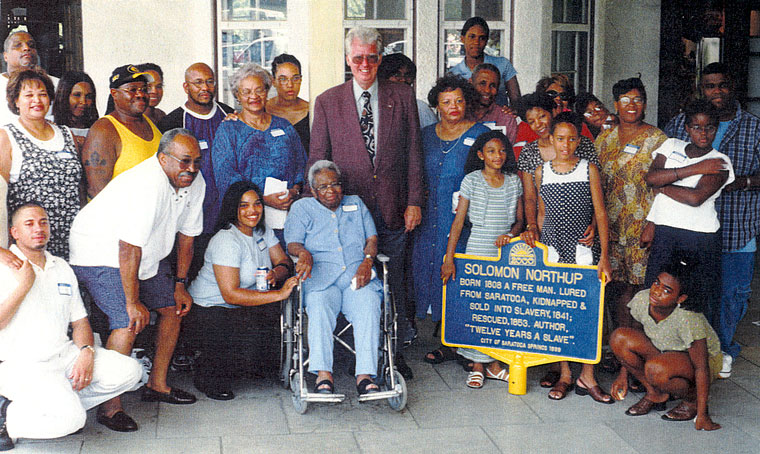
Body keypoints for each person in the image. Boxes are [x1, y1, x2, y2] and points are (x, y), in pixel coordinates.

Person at [70, 129, 206, 424]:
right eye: (184, 161)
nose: (191, 169)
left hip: (143, 256)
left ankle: (157, 384)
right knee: (127, 321)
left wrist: (180, 285)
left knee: (174, 308)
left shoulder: (194, 182)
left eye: (196, 161)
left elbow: (187, 238)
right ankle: (110, 408)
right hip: (98, 252)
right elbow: (127, 248)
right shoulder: (147, 185)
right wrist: (132, 303)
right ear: (163, 159)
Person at [309, 27, 423, 377]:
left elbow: (414, 153)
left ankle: (393, 353)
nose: (365, 64)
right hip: (344, 216)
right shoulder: (328, 101)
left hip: (393, 210)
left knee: (395, 283)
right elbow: (317, 161)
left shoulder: (401, 96)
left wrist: (415, 200)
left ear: (379, 59)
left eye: (372, 58)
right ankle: (348, 354)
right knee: (348, 281)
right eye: (357, 58)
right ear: (348, 59)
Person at [0, 203, 143, 446]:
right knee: (72, 421)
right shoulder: (5, 267)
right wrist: (25, 284)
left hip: (63, 356)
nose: (38, 228)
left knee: (131, 372)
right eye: (29, 223)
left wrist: (86, 353)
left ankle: (63, 403)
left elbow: (79, 321)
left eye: (43, 222)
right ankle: (6, 419)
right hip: (26, 364)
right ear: (14, 232)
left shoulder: (61, 266)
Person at [663, 62, 760, 379]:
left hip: (737, 227)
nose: (716, 92)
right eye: (709, 86)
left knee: (731, 296)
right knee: (689, 292)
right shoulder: (680, 125)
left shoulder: (754, 127)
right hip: (689, 228)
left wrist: (742, 183)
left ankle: (723, 350)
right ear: (699, 89)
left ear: (732, 87)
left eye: (722, 85)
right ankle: (690, 352)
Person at [520, 112, 613, 403]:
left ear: (578, 140)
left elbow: (600, 211)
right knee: (559, 311)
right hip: (553, 246)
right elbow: (540, 210)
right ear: (551, 139)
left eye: (572, 138)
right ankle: (564, 374)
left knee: (588, 310)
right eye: (560, 138)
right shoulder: (541, 170)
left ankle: (588, 374)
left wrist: (605, 255)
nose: (566, 144)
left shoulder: (588, 169)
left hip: (583, 247)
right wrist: (534, 230)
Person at [189, 181, 298, 400]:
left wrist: (277, 273)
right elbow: (230, 294)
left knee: (259, 362)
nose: (252, 211)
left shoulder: (262, 231)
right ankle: (205, 371)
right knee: (242, 353)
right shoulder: (226, 240)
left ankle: (241, 360)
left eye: (257, 204)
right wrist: (278, 293)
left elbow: (283, 260)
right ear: (233, 208)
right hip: (210, 309)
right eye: (244, 206)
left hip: (243, 305)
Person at [285, 160, 383, 395]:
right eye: (323, 187)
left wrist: (367, 262)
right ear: (313, 190)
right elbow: (292, 243)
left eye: (335, 184)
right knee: (318, 307)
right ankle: (323, 375)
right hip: (320, 280)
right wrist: (304, 253)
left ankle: (365, 375)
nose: (330, 191)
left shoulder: (356, 203)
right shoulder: (301, 208)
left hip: (355, 277)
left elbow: (372, 239)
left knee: (369, 303)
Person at [416, 75, 490, 364]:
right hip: (428, 218)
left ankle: (463, 343)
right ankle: (445, 338)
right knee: (431, 271)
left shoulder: (481, 134)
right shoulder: (424, 135)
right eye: (447, 102)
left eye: (459, 100)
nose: (454, 107)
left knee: (461, 273)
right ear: (436, 105)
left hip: (465, 221)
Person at [439, 130, 522, 388]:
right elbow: (459, 222)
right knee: (479, 308)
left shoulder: (514, 181)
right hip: (477, 249)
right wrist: (449, 258)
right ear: (480, 155)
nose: (497, 156)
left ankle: (494, 363)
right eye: (491, 151)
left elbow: (520, 221)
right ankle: (477, 365)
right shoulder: (472, 181)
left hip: (505, 253)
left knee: (500, 309)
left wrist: (510, 234)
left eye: (501, 151)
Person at [644, 99, 733, 329]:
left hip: (700, 237)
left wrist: (663, 184)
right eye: (696, 127)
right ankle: (659, 352)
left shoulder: (720, 161)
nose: (703, 134)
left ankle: (699, 359)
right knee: (656, 293)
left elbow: (695, 198)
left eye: (710, 127)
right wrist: (695, 169)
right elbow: (650, 177)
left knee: (697, 299)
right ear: (686, 128)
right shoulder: (671, 145)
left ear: (716, 128)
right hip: (666, 231)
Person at [609, 258, 722, 430]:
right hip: (662, 350)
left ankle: (691, 400)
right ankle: (655, 394)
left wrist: (702, 413)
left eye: (666, 290)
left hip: (699, 360)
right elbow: (636, 334)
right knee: (619, 338)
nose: (656, 291)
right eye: (656, 283)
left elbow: (701, 367)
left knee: (656, 369)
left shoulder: (688, 318)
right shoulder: (642, 299)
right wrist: (623, 375)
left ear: (681, 298)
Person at [596, 77, 667, 330]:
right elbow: (595, 184)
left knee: (639, 290)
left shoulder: (658, 139)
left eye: (637, 100)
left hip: (642, 227)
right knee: (615, 288)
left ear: (645, 105)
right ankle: (620, 349)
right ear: (616, 104)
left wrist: (654, 224)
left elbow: (665, 187)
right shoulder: (604, 140)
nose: (631, 105)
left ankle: (637, 350)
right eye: (625, 100)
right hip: (610, 229)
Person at [213, 63, 306, 247]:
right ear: (237, 96)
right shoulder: (228, 129)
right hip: (248, 220)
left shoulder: (284, 126)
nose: (253, 96)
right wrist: (262, 200)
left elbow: (301, 164)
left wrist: (294, 191)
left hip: (286, 217)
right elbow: (225, 176)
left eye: (259, 90)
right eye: (246, 92)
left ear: (267, 91)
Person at [0, 68, 83, 260]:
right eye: (28, 95)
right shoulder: (7, 137)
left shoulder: (66, 134)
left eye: (42, 94)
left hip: (73, 241)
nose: (36, 100)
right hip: (30, 245)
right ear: (15, 101)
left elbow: (79, 188)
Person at [158, 63, 234, 268]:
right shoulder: (172, 122)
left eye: (210, 81)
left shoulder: (230, 116)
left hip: (226, 217)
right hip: (188, 218)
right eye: (198, 82)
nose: (205, 88)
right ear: (186, 87)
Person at [516, 95, 599, 264]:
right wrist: (532, 227)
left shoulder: (582, 146)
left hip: (581, 228)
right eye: (531, 121)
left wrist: (594, 223)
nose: (538, 125)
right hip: (548, 229)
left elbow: (598, 194)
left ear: (553, 112)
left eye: (542, 117)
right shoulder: (529, 152)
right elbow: (531, 198)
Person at [81, 64, 161, 198]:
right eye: (132, 89)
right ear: (114, 94)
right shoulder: (104, 130)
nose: (140, 94)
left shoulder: (149, 122)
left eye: (143, 89)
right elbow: (97, 191)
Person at [449, 17, 520, 107]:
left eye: (482, 38)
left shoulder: (502, 64)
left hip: (499, 119)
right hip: (468, 120)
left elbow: (517, 103)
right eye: (472, 37)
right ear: (462, 39)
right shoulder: (454, 73)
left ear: (486, 41)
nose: (476, 42)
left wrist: (509, 114)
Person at [0, 31, 58, 126]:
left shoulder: (56, 84)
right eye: (18, 45)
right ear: (5, 56)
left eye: (31, 45)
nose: (26, 48)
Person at [377, 53, 438, 128]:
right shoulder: (375, 106)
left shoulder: (420, 107)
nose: (403, 80)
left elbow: (432, 136)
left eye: (407, 75)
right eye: (397, 75)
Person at [265, 54, 310, 152]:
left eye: (295, 78)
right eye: (283, 79)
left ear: (301, 80)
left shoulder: (311, 111)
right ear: (273, 81)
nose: (290, 85)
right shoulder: (263, 110)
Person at [469, 63, 517, 146]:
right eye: (482, 83)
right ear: (471, 82)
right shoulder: (460, 115)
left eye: (493, 85)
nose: (487, 90)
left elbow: (509, 155)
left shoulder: (506, 119)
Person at [52, 71, 99, 148]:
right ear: (64, 96)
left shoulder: (98, 129)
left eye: (88, 96)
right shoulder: (50, 126)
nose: (83, 102)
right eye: (77, 95)